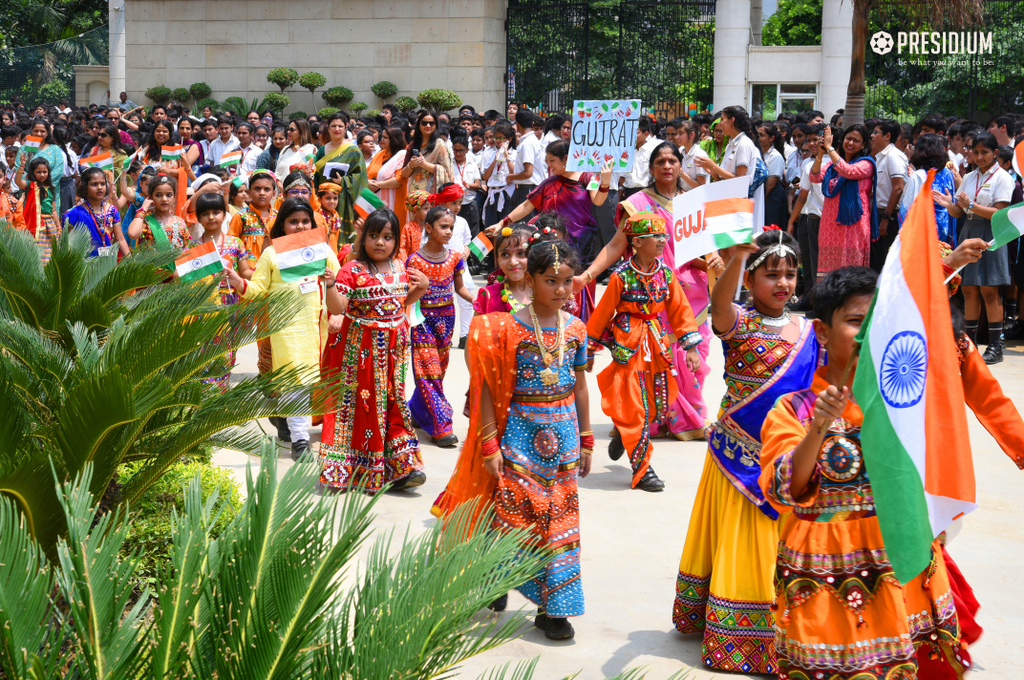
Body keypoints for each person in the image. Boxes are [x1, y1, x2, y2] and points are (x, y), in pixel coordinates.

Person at [759, 266, 966, 680]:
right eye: (856, 321)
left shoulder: (905, 404)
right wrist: (818, 427)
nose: (869, 334)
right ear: (821, 331)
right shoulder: (794, 409)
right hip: (824, 576)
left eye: (880, 323)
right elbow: (786, 489)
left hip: (901, 567)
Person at [671, 230, 820, 675]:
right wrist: (734, 258)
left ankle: (786, 626)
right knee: (746, 542)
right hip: (739, 456)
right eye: (771, 274)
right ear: (751, 281)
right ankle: (739, 634)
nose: (783, 283)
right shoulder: (738, 321)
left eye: (790, 274)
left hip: (788, 454)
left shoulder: (809, 330)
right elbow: (718, 306)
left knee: (783, 546)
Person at [432, 236, 593, 642]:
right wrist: (489, 446)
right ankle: (498, 580)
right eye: (551, 281)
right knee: (514, 517)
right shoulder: (504, 328)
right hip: (519, 435)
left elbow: (580, 385)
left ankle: (552, 609)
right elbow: (486, 390)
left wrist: (587, 436)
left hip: (565, 440)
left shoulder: (576, 329)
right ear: (532, 278)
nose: (561, 290)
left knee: (561, 522)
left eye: (568, 282)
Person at [578, 142, 723, 442]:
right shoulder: (638, 203)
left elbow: (705, 249)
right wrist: (588, 274)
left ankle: (689, 415)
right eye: (661, 161)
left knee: (692, 355)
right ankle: (652, 417)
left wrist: (716, 259)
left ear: (681, 166)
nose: (667, 166)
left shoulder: (695, 203)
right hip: (650, 294)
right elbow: (618, 245)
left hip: (692, 293)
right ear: (652, 167)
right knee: (652, 357)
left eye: (673, 160)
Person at [585, 211, 702, 491]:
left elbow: (680, 311)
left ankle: (625, 435)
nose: (663, 241)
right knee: (635, 407)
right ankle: (643, 470)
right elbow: (602, 314)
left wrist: (690, 347)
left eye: (663, 235)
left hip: (657, 347)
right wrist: (588, 348)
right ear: (636, 243)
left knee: (655, 407)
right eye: (655, 236)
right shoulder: (620, 277)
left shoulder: (666, 275)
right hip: (628, 346)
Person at [319, 208, 429, 494]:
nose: (380, 242)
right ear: (364, 238)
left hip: (393, 352)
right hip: (361, 353)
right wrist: (330, 286)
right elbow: (337, 307)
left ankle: (401, 466)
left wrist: (423, 288)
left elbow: (404, 301)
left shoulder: (400, 267)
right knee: (363, 409)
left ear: (395, 241)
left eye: (388, 237)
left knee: (394, 404)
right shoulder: (351, 269)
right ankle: (352, 470)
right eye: (374, 236)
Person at [225, 197, 341, 460]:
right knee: (294, 382)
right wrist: (237, 281)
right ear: (282, 225)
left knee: (321, 382)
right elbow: (257, 290)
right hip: (288, 330)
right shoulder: (271, 254)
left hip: (320, 326)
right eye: (293, 222)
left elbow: (341, 280)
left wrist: (338, 312)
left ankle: (332, 432)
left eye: (305, 221)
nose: (300, 227)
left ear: (312, 223)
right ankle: (300, 439)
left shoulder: (322, 249)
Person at [487, 140, 612, 319]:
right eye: (547, 160)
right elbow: (526, 205)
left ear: (566, 159)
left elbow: (598, 200)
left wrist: (605, 183)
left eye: (552, 160)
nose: (549, 165)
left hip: (581, 247)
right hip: (551, 245)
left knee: (577, 287)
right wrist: (502, 223)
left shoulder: (588, 177)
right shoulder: (549, 183)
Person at [934, 130, 1013, 364]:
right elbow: (959, 210)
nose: (979, 157)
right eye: (975, 152)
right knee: (968, 288)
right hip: (968, 231)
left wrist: (972, 205)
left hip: (991, 233)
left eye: (984, 153)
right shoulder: (969, 177)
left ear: (995, 153)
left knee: (990, 290)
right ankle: (968, 342)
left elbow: (1000, 213)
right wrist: (949, 205)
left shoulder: (1002, 178)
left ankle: (995, 345)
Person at [405, 206, 474, 448]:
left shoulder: (455, 258)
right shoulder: (414, 260)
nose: (448, 232)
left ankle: (414, 409)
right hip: (422, 320)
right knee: (428, 373)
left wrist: (478, 298)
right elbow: (408, 295)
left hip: (447, 321)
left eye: (451, 228)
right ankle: (441, 426)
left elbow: (460, 289)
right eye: (443, 227)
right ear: (428, 228)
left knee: (436, 375)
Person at [192, 192, 253, 391]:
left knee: (226, 352)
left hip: (229, 306)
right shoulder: (193, 247)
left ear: (225, 214)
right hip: (203, 308)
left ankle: (219, 395)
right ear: (198, 218)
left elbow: (245, 272)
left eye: (216, 212)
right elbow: (184, 279)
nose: (211, 217)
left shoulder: (236, 244)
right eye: (205, 213)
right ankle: (203, 395)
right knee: (202, 351)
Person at [811, 124, 878, 279]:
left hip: (853, 224)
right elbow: (814, 177)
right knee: (829, 270)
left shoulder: (866, 164)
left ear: (863, 145)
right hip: (830, 223)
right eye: (848, 138)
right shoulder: (832, 165)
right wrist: (821, 154)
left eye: (856, 140)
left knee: (851, 269)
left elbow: (848, 171)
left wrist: (829, 149)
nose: (851, 143)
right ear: (842, 140)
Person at [695, 106, 765, 226]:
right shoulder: (731, 144)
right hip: (725, 203)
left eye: (722, 119)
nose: (720, 123)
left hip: (736, 206)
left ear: (732, 120)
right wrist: (711, 170)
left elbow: (741, 181)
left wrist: (714, 166)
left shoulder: (744, 144)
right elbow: (723, 179)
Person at [428, 183, 477, 348]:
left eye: (459, 203)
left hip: (461, 267)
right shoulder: (433, 221)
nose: (457, 207)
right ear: (443, 202)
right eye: (453, 203)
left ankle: (465, 335)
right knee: (442, 301)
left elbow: (467, 241)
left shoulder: (462, 222)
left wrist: (466, 252)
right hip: (440, 269)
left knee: (465, 302)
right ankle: (439, 334)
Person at [313, 112, 368, 243]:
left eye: (340, 126)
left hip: (342, 199)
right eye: (333, 126)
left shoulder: (352, 150)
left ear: (346, 127)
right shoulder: (321, 150)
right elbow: (316, 173)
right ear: (328, 128)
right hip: (322, 199)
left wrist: (343, 181)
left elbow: (361, 177)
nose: (336, 129)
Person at [787, 126, 826, 304]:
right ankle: (809, 298)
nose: (811, 144)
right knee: (808, 261)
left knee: (819, 262)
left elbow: (803, 196)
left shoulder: (829, 161)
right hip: (808, 215)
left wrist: (791, 220)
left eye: (815, 140)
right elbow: (802, 196)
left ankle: (818, 300)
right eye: (808, 140)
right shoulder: (807, 162)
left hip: (823, 217)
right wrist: (793, 220)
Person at [62, 166, 128, 257]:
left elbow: (120, 239)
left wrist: (131, 262)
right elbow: (67, 245)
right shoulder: (73, 214)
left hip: (107, 263)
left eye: (103, 184)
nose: (99, 187)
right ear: (85, 187)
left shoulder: (112, 210)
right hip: (84, 265)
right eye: (94, 184)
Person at [870, 119, 908, 271]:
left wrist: (886, 218)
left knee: (888, 260)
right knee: (878, 259)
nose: (872, 136)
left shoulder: (893, 156)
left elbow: (898, 188)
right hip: (879, 213)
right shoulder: (881, 156)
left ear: (887, 136)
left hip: (890, 215)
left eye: (876, 132)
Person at [472, 223, 533, 314]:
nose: (513, 262)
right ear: (498, 259)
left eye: (521, 253)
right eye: (505, 254)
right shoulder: (488, 297)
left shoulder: (549, 293)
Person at [227, 170, 278, 268]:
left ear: (274, 194)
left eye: (267, 189)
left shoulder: (279, 217)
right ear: (249, 193)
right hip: (248, 273)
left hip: (274, 270)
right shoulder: (241, 216)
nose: (262, 193)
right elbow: (231, 245)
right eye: (257, 188)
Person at [126, 174, 191, 250]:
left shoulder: (180, 223)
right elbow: (133, 233)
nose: (164, 199)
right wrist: (143, 209)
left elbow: (187, 248)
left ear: (174, 198)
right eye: (158, 195)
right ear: (150, 197)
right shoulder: (147, 222)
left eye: (169, 195)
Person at [15, 156, 61, 262]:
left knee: (52, 252)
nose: (42, 175)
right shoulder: (30, 185)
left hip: (50, 224)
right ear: (33, 172)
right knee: (38, 252)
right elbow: (18, 182)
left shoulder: (50, 189)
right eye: (38, 172)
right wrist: (22, 166)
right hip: (36, 223)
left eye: (45, 172)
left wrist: (58, 227)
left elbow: (53, 210)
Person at [17, 119, 65, 215]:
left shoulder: (54, 149)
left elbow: (58, 170)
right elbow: (19, 168)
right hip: (28, 191)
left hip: (48, 192)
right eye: (36, 131)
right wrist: (31, 185)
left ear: (47, 133)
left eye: (42, 131)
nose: (39, 134)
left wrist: (42, 185)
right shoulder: (24, 148)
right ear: (31, 131)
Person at [402, 110, 453, 196]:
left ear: (436, 125)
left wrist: (424, 164)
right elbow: (404, 174)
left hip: (433, 195)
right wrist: (411, 165)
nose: (428, 125)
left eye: (431, 123)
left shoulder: (440, 145)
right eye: (424, 123)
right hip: (415, 195)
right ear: (419, 125)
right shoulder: (413, 144)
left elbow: (447, 172)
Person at [368, 126, 409, 224]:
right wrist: (368, 182)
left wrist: (378, 185)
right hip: (375, 201)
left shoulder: (402, 155)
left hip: (394, 203)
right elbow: (366, 172)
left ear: (394, 140)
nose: (381, 140)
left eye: (385, 138)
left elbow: (398, 180)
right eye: (381, 137)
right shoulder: (379, 154)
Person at [756, 120, 789, 228]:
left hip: (771, 195)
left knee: (771, 226)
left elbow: (771, 184)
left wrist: (762, 200)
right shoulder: (758, 153)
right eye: (758, 135)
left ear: (771, 138)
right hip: (761, 194)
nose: (759, 138)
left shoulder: (775, 156)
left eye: (762, 135)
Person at [622, 117, 660, 198]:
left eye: (637, 133)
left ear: (646, 134)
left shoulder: (652, 151)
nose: (632, 136)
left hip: (647, 192)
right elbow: (622, 176)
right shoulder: (626, 151)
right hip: (629, 192)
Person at [676, 120, 710, 191]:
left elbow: (701, 186)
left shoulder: (699, 155)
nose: (677, 137)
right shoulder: (682, 151)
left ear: (692, 135)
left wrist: (681, 173)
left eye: (681, 133)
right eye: (677, 134)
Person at [398, 189, 430, 263]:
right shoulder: (409, 227)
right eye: (426, 208)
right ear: (415, 212)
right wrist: (407, 263)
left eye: (430, 208)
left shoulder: (433, 225)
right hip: (413, 266)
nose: (429, 211)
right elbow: (402, 248)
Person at [317, 181, 343, 253]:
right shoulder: (318, 214)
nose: (332, 201)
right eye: (328, 198)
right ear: (319, 199)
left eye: (335, 198)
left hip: (334, 247)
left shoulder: (335, 214)